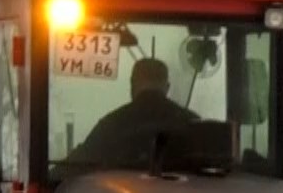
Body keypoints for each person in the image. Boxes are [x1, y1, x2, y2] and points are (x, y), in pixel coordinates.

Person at [66, 57, 199, 169]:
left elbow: (73, 167)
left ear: (132, 84)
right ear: (167, 87)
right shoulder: (192, 124)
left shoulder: (111, 125)